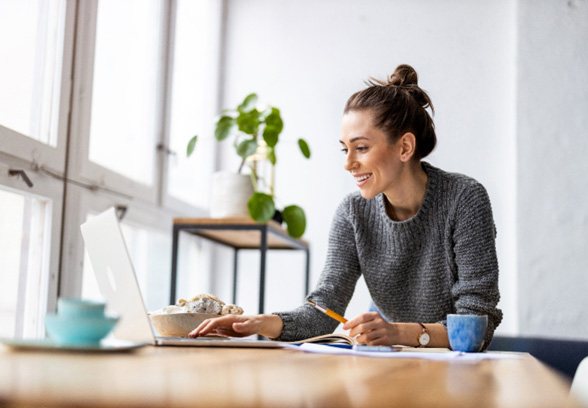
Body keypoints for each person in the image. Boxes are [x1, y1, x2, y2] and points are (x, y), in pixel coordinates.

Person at [189, 64, 503, 348]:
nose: (349, 164)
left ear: (405, 147)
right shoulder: (353, 213)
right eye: (345, 150)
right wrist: (261, 323)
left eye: (361, 148)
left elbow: (477, 326)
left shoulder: (464, 199)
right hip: (389, 363)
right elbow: (324, 311)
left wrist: (396, 332)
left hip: (457, 373)